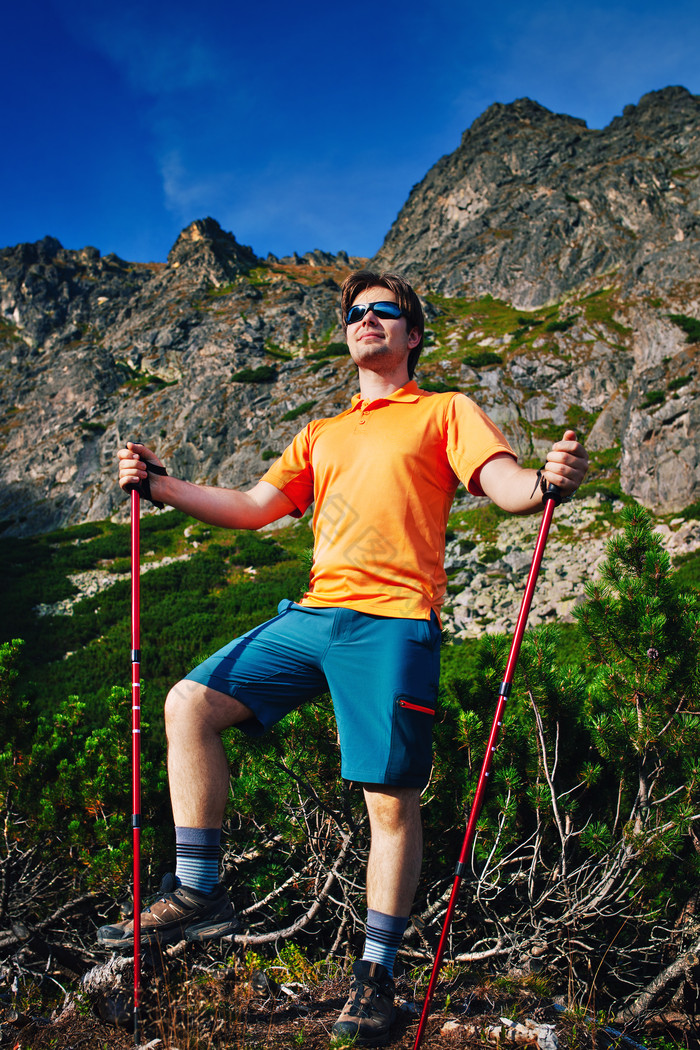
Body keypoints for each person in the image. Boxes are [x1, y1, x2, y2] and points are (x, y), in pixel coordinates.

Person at [102, 270, 589, 1044]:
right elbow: (257, 509)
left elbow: (505, 486)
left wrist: (543, 481)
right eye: (355, 313)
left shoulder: (444, 411)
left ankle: (376, 976)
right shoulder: (322, 432)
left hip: (393, 624)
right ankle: (200, 892)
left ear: (412, 333)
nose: (366, 320)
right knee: (187, 703)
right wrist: (161, 487)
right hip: (315, 614)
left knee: (388, 802)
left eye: (384, 311)